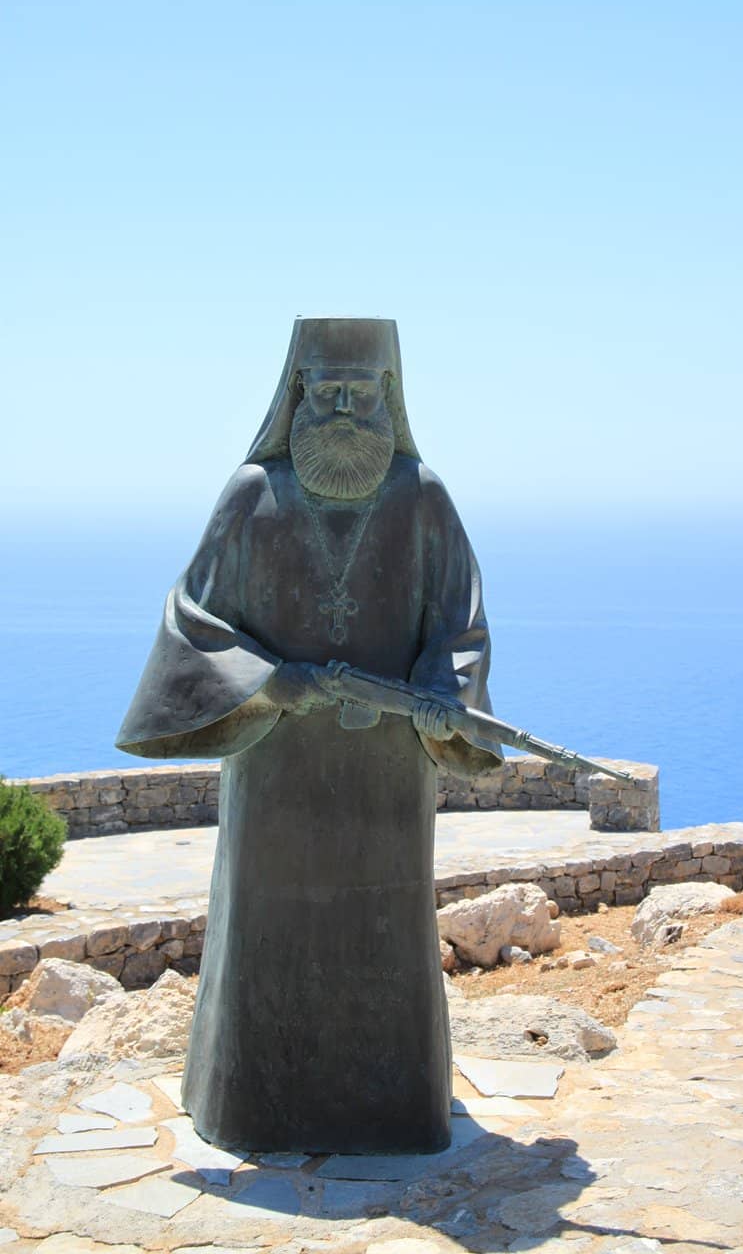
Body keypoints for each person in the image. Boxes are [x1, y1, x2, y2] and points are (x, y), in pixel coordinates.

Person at [116, 317, 501, 1154]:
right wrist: (272, 682)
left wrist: (441, 697)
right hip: (277, 768)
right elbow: (193, 622)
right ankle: (252, 1104)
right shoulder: (251, 495)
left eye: (358, 392)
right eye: (324, 389)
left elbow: (461, 629)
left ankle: (391, 1109)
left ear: (387, 396)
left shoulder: (423, 497)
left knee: (383, 933)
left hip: (387, 779)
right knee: (269, 928)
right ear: (294, 392)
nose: (340, 407)